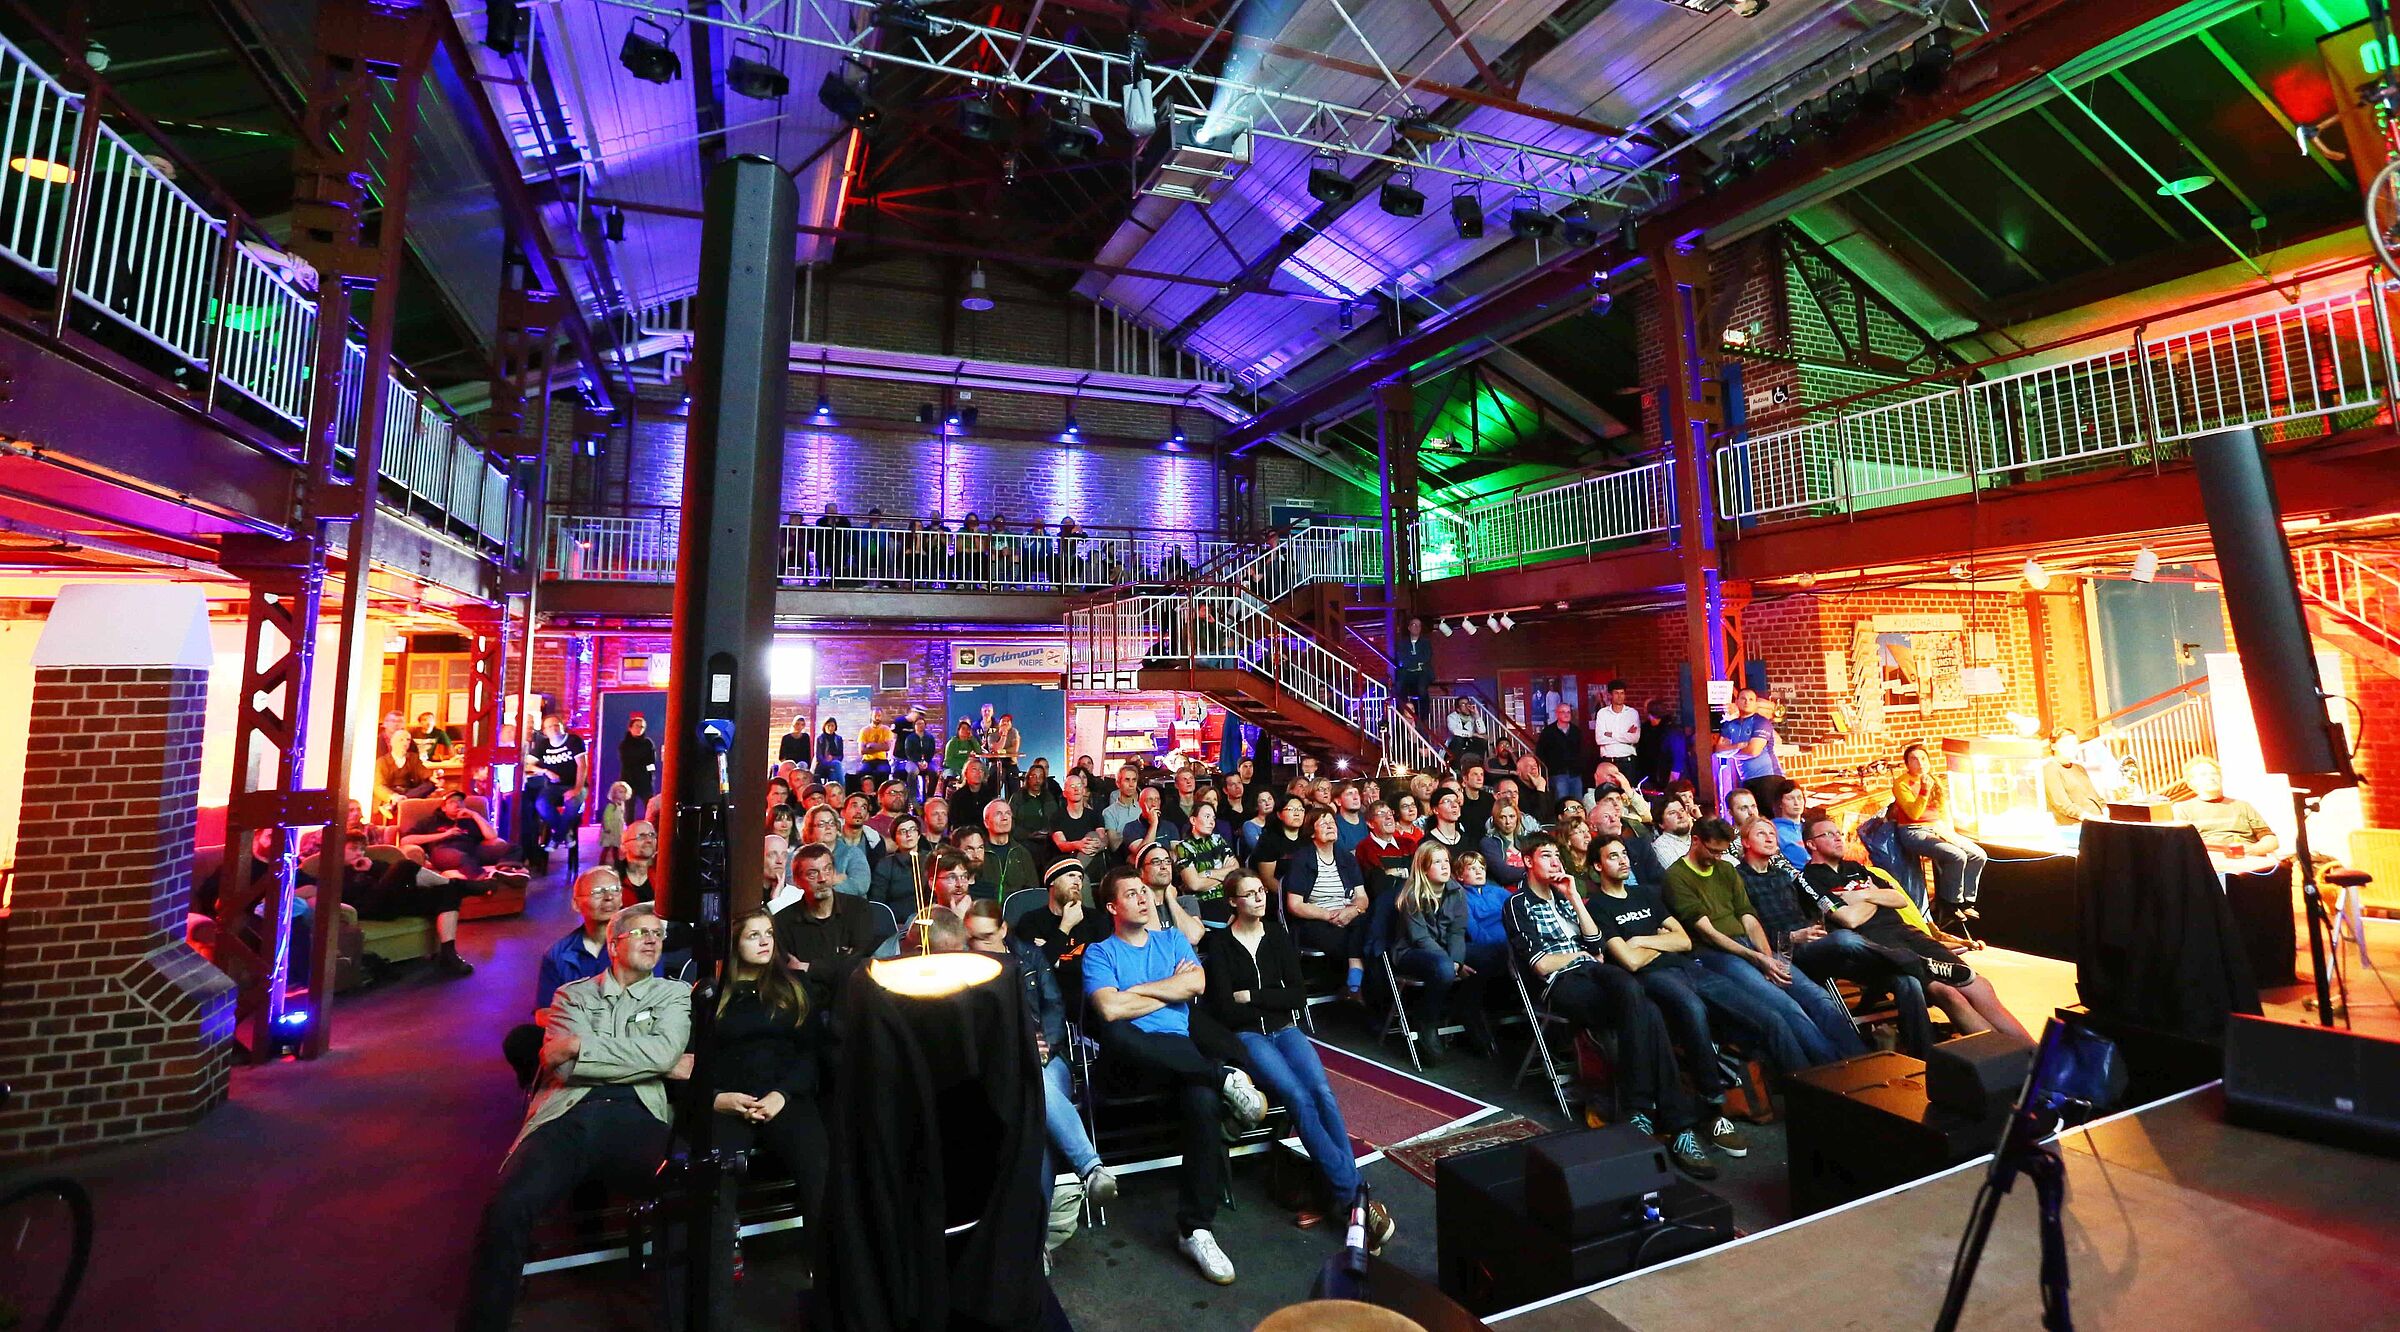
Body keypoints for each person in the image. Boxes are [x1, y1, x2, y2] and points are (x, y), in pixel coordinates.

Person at [458, 903, 690, 1332]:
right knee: (508, 1207)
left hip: (637, 1112)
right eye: (642, 933)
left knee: (686, 1193)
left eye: (658, 934)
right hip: (567, 1112)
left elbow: (662, 1053)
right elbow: (562, 1068)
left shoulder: (673, 994)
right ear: (614, 943)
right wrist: (649, 1059)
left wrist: (581, 1047)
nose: (654, 940)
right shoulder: (572, 994)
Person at [1082, 866, 1263, 1285]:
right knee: (1119, 1032)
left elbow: (1195, 985)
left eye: (1145, 891)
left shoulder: (1171, 939)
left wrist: (1137, 992)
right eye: (1131, 894)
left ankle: (1195, 1229)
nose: (1144, 898)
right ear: (1112, 906)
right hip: (1131, 1066)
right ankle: (1222, 1078)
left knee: (1200, 1100)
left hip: (1181, 1057)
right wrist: (1168, 988)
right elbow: (1109, 1010)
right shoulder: (1100, 953)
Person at [1202, 871, 1397, 1246]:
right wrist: (1260, 997)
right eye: (1250, 894)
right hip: (1249, 1036)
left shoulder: (1277, 934)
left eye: (1261, 891)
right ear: (1233, 902)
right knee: (1297, 1097)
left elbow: (1295, 996)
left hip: (1284, 1028)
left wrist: (1253, 996)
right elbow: (1226, 1008)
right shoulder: (1221, 944)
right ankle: (1355, 1193)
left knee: (1323, 1091)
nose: (1260, 898)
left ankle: (1346, 1194)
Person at [1506, 835, 1715, 1177]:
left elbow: (1595, 942)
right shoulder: (1518, 904)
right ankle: (1677, 1125)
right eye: (1546, 856)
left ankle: (1641, 1113)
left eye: (1557, 856)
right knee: (1642, 1003)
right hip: (1563, 983)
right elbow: (1542, 964)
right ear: (1529, 862)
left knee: (1642, 1004)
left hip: (1596, 971)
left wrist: (1573, 896)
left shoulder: (1566, 899)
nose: (1556, 862)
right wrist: (1578, 954)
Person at [1584, 835, 1756, 1155]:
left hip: (1687, 966)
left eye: (1624, 854)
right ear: (1597, 866)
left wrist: (1640, 940)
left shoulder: (1646, 894)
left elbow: (1685, 941)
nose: (1623, 860)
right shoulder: (1599, 907)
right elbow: (1630, 962)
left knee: (1750, 1008)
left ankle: (1729, 1090)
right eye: (1612, 857)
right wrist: (1658, 940)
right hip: (1654, 976)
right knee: (1692, 1008)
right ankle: (1713, 1105)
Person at [1799, 814, 2031, 1044]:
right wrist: (1877, 897)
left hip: (1906, 933)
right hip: (1875, 943)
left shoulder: (1856, 868)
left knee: (1981, 987)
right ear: (1811, 844)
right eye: (1828, 834)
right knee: (1948, 994)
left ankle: (2035, 1057)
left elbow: (1899, 899)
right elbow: (1849, 919)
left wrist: (1862, 895)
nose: (1838, 838)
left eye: (1838, 833)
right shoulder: (1809, 879)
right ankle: (2007, 1062)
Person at [696, 908, 830, 1297]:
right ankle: (720, 1263)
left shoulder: (793, 986)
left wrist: (781, 1095)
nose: (764, 941)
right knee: (718, 1172)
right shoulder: (710, 993)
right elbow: (694, 1059)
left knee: (818, 1163)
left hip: (782, 1097)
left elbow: (810, 1054)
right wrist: (718, 1098)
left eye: (768, 933)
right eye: (753, 935)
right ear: (734, 944)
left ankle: (821, 1265)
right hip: (730, 1099)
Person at [1735, 817, 1948, 1058]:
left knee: (1906, 981)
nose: (1769, 837)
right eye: (1761, 834)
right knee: (1846, 938)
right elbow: (1748, 929)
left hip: (1821, 945)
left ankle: (1925, 1058)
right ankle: (1914, 962)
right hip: (1786, 949)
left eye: (1772, 833)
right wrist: (1792, 936)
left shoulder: (1785, 878)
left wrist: (1865, 897)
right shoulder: (1738, 879)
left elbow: (1825, 913)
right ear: (1745, 842)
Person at [1663, 818, 1864, 1069]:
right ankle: (1835, 1071)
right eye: (1712, 850)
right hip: (1718, 953)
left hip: (1752, 944)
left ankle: (1862, 1061)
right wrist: (1757, 958)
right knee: (1786, 1007)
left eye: (1722, 852)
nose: (1717, 857)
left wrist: (1769, 957)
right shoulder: (1676, 876)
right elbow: (1709, 932)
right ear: (1695, 841)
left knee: (1818, 997)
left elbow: (1749, 918)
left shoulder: (1726, 870)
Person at [337, 832, 476, 977]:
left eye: (362, 849)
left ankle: (448, 954)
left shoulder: (369, 863)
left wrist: (372, 867)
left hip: (394, 902)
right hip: (371, 908)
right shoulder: (333, 871)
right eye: (353, 849)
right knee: (405, 865)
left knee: (447, 892)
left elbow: (394, 875)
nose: (359, 853)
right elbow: (348, 894)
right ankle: (465, 886)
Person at [1891, 742, 1989, 932]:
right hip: (1913, 830)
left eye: (1923, 758)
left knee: (1978, 854)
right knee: (1956, 855)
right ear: (1907, 764)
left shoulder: (1933, 779)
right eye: (1914, 759)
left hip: (1937, 827)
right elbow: (1914, 813)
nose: (1919, 763)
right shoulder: (1901, 783)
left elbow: (1943, 810)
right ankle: (1950, 902)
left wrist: (1950, 833)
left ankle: (1966, 901)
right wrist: (1924, 791)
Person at [771, 843, 883, 1003]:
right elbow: (791, 974)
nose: (822, 879)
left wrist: (809, 967)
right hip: (807, 1003)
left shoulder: (858, 909)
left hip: (853, 1000)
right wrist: (840, 964)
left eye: (827, 870)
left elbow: (860, 966)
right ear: (797, 881)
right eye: (812, 874)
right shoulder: (782, 921)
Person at [1391, 842, 1469, 1062]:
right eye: (1437, 862)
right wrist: (1451, 963)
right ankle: (1428, 1019)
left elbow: (1457, 931)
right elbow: (1420, 939)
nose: (1445, 866)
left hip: (1444, 951)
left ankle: (1469, 1016)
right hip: (1411, 953)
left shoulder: (1457, 891)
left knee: (1486, 957)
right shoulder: (1411, 896)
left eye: (1446, 861)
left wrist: (1457, 960)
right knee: (1444, 968)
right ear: (1424, 868)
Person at [1282, 807, 1371, 998]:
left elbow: (1362, 897)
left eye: (1332, 822)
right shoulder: (1302, 859)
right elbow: (1295, 905)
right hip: (1316, 919)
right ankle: (1357, 985)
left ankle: (1355, 979)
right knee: (1361, 943)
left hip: (1349, 915)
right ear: (1312, 832)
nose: (1331, 825)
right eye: (1323, 823)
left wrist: (1353, 911)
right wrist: (1328, 915)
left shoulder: (1346, 857)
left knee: (1371, 926)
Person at [2173, 755, 2281, 871]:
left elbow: (2271, 839)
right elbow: (2185, 847)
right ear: (2191, 782)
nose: (2211, 778)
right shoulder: (2182, 808)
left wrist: (2255, 849)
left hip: (2248, 860)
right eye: (2203, 775)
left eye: (2214, 774)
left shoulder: (2243, 806)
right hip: (2211, 863)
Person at [401, 789, 517, 877]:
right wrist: (446, 834)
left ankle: (505, 871)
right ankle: (482, 879)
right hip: (443, 852)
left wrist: (475, 815)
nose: (457, 805)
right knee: (462, 857)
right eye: (451, 802)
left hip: (472, 851)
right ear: (443, 808)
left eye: (460, 802)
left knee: (513, 848)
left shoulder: (470, 820)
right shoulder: (431, 821)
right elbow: (405, 840)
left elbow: (492, 836)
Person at [1016, 858, 1109, 965]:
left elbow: (1101, 965)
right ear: (1052, 881)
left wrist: (1057, 961)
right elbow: (1035, 966)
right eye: (1070, 875)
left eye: (1080, 877)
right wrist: (1065, 927)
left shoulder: (1096, 919)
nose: (1077, 881)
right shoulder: (1031, 921)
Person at [524, 713, 589, 857]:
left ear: (562, 726)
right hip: (553, 787)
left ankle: (556, 838)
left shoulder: (574, 741)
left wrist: (577, 789)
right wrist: (545, 771)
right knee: (540, 804)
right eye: (549, 726)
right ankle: (566, 834)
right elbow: (527, 764)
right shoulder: (543, 745)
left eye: (556, 725)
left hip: (575, 785)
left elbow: (582, 765)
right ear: (544, 731)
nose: (553, 729)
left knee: (572, 805)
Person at [1173, 800, 1240, 923]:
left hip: (1227, 898)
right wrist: (1223, 876)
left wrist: (1207, 873)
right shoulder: (1184, 847)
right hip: (1203, 902)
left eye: (1213, 818)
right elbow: (1194, 884)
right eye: (1207, 817)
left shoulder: (1218, 840)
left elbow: (1235, 870)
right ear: (1193, 820)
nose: (1211, 822)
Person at [1713, 688, 1781, 804]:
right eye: (1743, 699)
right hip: (1746, 779)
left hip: (1768, 778)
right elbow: (1718, 750)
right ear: (1737, 701)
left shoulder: (1761, 722)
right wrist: (1738, 745)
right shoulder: (1730, 724)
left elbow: (1753, 751)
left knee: (1768, 819)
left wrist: (1730, 751)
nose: (1747, 702)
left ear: (1755, 704)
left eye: (1751, 699)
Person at [2041, 728, 2107, 830]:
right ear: (2053, 746)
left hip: (2098, 820)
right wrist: (2092, 818)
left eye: (2074, 744)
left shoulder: (2079, 767)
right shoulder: (2050, 769)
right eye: (2066, 743)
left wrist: (2105, 810)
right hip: (2078, 825)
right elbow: (2062, 804)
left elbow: (2095, 795)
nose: (2071, 747)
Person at [868, 814, 931, 921]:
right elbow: (878, 901)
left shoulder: (931, 860)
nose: (908, 834)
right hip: (898, 923)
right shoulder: (885, 865)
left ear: (919, 835)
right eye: (902, 831)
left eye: (912, 830)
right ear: (895, 838)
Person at [977, 798, 1041, 901]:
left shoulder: (1022, 853)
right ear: (986, 822)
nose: (1005, 818)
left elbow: (1033, 892)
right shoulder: (978, 853)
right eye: (998, 814)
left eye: (1008, 813)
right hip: (985, 913)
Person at [1048, 773, 1107, 878]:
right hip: (1067, 862)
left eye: (1079, 786)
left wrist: (1098, 845)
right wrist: (1078, 845)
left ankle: (1076, 870)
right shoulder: (1056, 817)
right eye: (1072, 786)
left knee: (1093, 835)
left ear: (1083, 791)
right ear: (1064, 793)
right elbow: (1061, 844)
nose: (1076, 789)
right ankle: (1076, 871)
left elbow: (1103, 840)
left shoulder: (1094, 815)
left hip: (1092, 863)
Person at [373, 726, 437, 818]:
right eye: (401, 740)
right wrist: (393, 796)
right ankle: (397, 801)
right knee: (380, 789)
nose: (405, 743)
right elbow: (378, 785)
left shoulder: (413, 758)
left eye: (408, 740)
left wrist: (434, 779)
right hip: (392, 792)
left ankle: (396, 804)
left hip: (410, 791)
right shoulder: (382, 761)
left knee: (430, 784)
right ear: (392, 742)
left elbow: (422, 771)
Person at [1536, 704, 1589, 803]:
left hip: (1575, 774)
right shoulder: (1548, 732)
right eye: (1563, 712)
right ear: (1557, 714)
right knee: (1562, 803)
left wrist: (1581, 767)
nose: (1566, 714)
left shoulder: (1576, 731)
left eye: (1568, 712)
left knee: (1578, 802)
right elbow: (1540, 753)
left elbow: (1583, 751)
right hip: (1557, 774)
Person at [1477, 799, 1531, 888]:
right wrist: (1532, 871)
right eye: (1502, 817)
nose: (1508, 822)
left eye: (1512, 816)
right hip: (1502, 894)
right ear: (1495, 819)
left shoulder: (1526, 841)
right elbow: (1504, 874)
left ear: (1517, 818)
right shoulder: (1488, 843)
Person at [1591, 679, 1641, 771]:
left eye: (1622, 693)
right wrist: (1625, 735)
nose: (1620, 696)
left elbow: (1634, 738)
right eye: (1616, 693)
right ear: (1610, 695)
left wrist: (1611, 734)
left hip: (1628, 761)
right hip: (1609, 761)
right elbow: (1599, 739)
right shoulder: (1602, 713)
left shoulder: (1632, 713)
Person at [617, 713, 659, 819]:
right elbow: (626, 761)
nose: (639, 729)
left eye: (642, 727)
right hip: (629, 780)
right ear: (630, 727)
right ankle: (630, 829)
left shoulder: (648, 744)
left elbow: (652, 762)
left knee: (650, 805)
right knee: (629, 807)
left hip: (645, 781)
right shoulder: (624, 744)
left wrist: (650, 775)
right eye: (637, 726)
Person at [1394, 616, 1434, 718]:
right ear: (1409, 628)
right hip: (1407, 672)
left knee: (1422, 688)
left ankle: (1424, 717)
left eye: (1419, 626)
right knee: (1399, 687)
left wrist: (1412, 661)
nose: (1416, 628)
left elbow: (1426, 657)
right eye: (1414, 625)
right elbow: (1402, 658)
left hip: (1422, 672)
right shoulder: (1402, 643)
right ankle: (1402, 714)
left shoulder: (1426, 642)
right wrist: (1416, 662)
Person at [617, 821, 659, 903]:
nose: (649, 840)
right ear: (623, 846)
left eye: (652, 835)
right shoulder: (615, 878)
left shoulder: (666, 874)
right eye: (641, 836)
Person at [858, 711, 894, 787]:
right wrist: (880, 746)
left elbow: (887, 747)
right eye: (875, 715)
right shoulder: (864, 730)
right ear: (871, 716)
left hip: (882, 760)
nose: (877, 718)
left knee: (883, 772)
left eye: (879, 715)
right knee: (862, 772)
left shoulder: (886, 730)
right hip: (867, 760)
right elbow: (862, 750)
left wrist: (871, 745)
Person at [813, 718, 846, 788]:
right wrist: (827, 762)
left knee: (834, 772)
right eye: (828, 726)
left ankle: (833, 791)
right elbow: (818, 756)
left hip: (834, 763)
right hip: (822, 765)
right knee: (836, 765)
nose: (830, 728)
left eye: (832, 726)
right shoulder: (820, 738)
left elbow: (841, 756)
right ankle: (842, 789)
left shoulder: (838, 739)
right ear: (824, 727)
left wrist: (833, 758)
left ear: (835, 727)